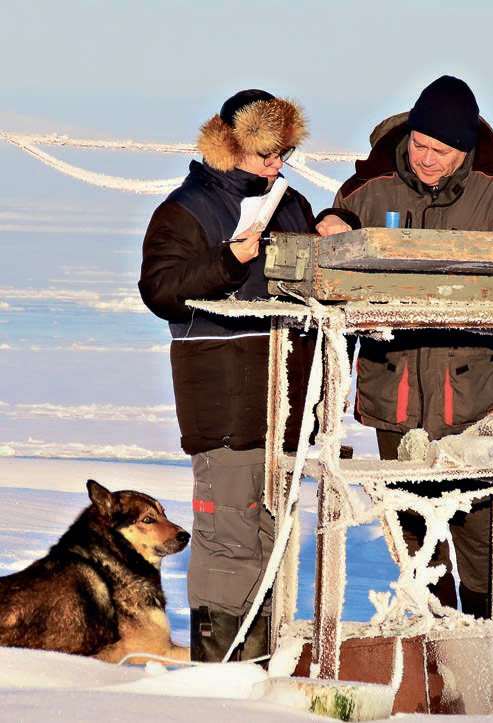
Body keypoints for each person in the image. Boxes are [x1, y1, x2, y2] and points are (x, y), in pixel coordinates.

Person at [316, 75, 493, 619]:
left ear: (465, 150)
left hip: (475, 396)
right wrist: (330, 224)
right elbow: (335, 254)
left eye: (441, 152)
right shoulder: (367, 189)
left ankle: (484, 642)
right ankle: (430, 640)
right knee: (410, 534)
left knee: (481, 535)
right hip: (393, 389)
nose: (426, 159)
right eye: (420, 145)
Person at [139, 89, 316, 661]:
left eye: (284, 153)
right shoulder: (185, 209)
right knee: (226, 543)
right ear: (230, 145)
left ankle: (257, 674)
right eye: (268, 154)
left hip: (285, 407)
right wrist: (227, 261)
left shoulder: (291, 204)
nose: (277, 165)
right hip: (222, 406)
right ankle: (218, 676)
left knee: (271, 542)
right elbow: (160, 290)